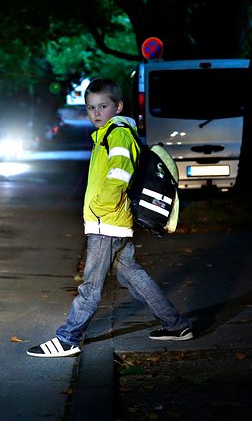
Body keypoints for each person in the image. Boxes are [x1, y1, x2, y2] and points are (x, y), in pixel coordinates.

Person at [27, 78, 192, 358]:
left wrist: (101, 208)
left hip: (107, 222)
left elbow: (120, 174)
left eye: (103, 106)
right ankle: (176, 325)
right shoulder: (108, 133)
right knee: (133, 276)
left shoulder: (117, 134)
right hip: (113, 221)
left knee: (91, 286)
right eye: (91, 107)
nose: (96, 113)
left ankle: (68, 338)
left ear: (118, 106)